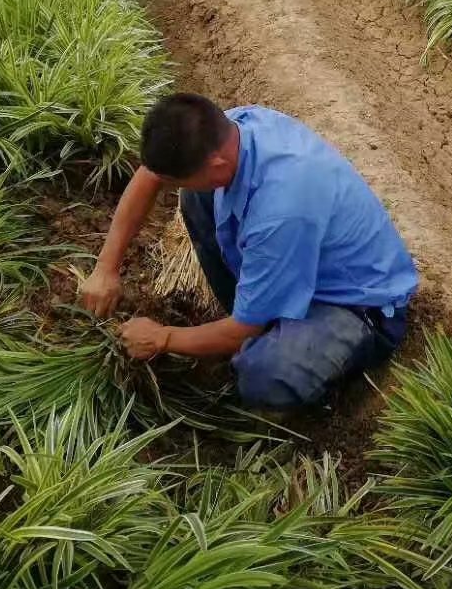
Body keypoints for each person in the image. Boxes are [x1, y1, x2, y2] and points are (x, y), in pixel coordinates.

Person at [79, 93, 418, 409]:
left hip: (357, 306)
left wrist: (162, 338)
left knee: (262, 375)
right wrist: (106, 267)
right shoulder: (233, 129)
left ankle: (314, 383)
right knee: (197, 196)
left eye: (179, 178)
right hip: (299, 258)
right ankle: (258, 311)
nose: (171, 185)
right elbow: (151, 175)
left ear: (215, 165)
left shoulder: (282, 209)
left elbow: (245, 329)